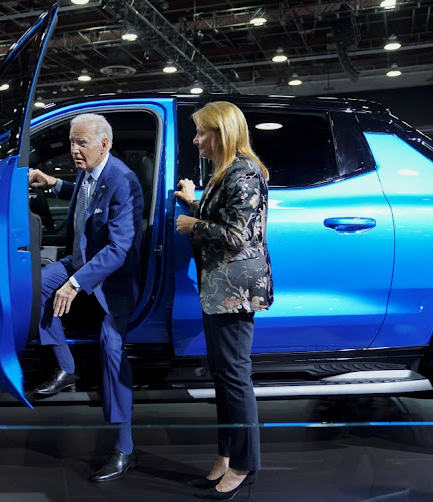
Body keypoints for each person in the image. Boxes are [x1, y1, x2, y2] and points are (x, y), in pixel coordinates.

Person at [28, 113, 144, 482]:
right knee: (37, 287)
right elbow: (83, 193)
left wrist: (75, 283)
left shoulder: (123, 181)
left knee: (111, 349)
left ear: (104, 144)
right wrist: (53, 182)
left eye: (81, 143)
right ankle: (66, 366)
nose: (74, 150)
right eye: (72, 142)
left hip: (114, 280)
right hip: (79, 260)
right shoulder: (89, 170)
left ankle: (124, 448)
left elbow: (119, 248)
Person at [174, 101, 273, 500]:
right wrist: (193, 201)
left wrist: (192, 223)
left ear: (222, 133)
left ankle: (245, 465)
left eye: (201, 133)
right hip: (221, 290)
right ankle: (226, 456)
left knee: (234, 378)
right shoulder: (227, 173)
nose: (196, 140)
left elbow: (238, 236)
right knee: (224, 376)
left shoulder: (245, 173)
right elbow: (228, 218)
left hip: (235, 291)